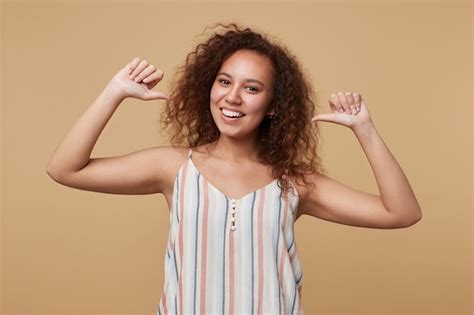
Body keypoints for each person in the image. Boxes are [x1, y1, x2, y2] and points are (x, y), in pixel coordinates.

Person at [46, 23, 422, 315]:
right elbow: (65, 169)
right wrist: (115, 91)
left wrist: (365, 129)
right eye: (224, 82)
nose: (232, 96)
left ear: (274, 106)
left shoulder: (294, 184)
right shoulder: (174, 167)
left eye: (252, 88)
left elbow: (402, 213)